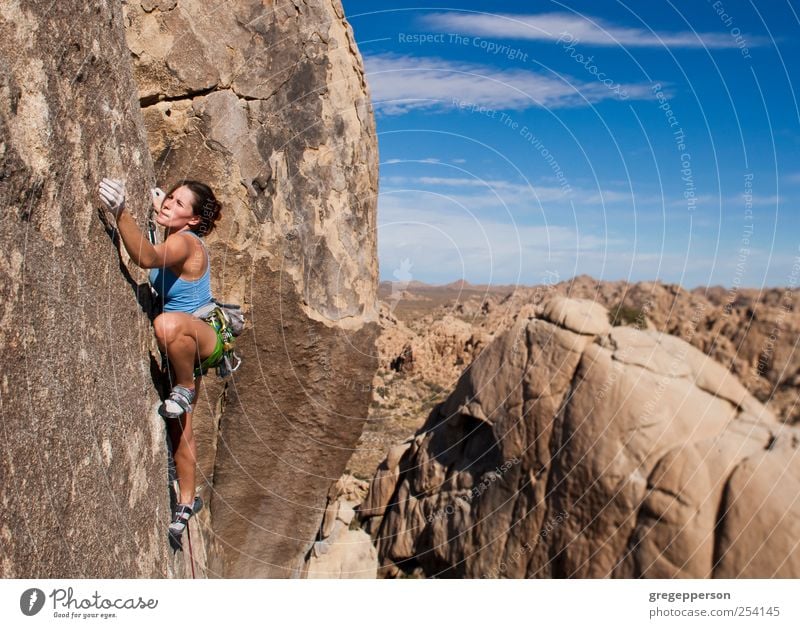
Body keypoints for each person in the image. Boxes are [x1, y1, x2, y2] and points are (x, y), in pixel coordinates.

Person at [98, 177, 223, 547]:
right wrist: (160, 208)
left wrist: (121, 212)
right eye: (170, 196)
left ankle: (183, 386)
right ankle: (187, 503)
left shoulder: (186, 242)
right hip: (187, 343)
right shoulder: (174, 230)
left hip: (198, 336)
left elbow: (148, 259)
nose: (169, 203)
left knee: (165, 325)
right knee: (181, 427)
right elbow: (164, 225)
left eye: (179, 203)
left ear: (195, 220)